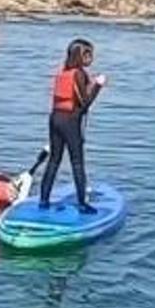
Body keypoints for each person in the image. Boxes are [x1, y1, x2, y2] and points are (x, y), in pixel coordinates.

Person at [40, 39, 106, 214]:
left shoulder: (63, 72)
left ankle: (43, 201)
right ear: (81, 56)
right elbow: (85, 104)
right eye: (89, 55)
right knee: (77, 162)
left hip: (55, 118)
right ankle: (82, 204)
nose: (91, 59)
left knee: (54, 160)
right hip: (69, 121)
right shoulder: (78, 74)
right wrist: (98, 86)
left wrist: (90, 86)